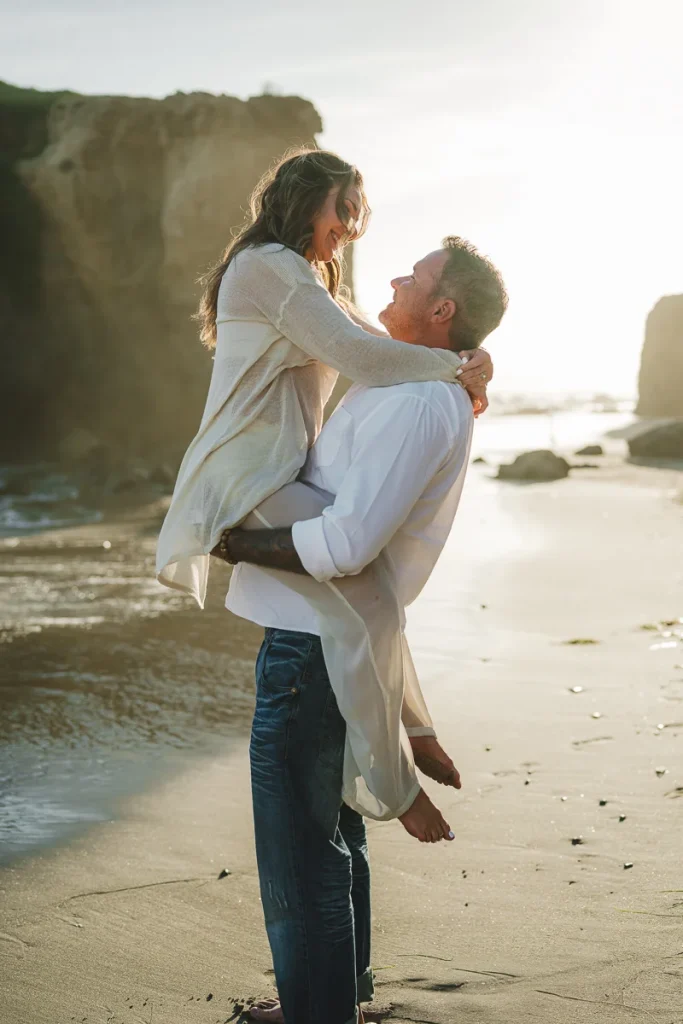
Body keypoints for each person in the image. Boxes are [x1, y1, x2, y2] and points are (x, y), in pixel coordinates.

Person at [212, 235, 508, 1024]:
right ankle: (334, 1001)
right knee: (331, 831)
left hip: (312, 646)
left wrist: (234, 540)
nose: (393, 277)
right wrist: (472, 362)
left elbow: (346, 546)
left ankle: (318, 1014)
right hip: (324, 639)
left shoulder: (415, 402)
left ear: (440, 308)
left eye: (413, 277)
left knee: (302, 854)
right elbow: (330, 325)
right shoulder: (405, 375)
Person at [156, 150, 494, 839]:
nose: (351, 224)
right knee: (361, 602)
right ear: (302, 199)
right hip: (247, 477)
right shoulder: (266, 269)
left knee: (371, 603)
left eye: (355, 210)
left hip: (276, 474)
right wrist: (457, 365)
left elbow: (385, 342)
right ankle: (400, 786)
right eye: (342, 207)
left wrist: (472, 360)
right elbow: (369, 358)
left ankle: (416, 730)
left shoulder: (303, 278)